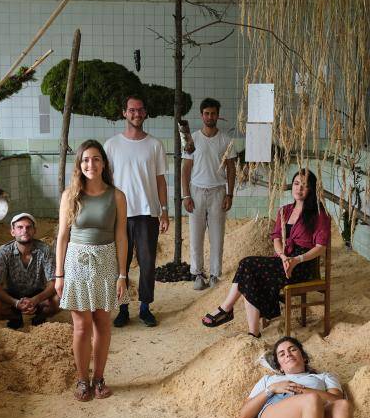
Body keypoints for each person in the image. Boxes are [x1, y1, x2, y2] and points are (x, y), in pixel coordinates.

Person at [201, 169, 330, 337]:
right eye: (296, 183)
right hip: (283, 260)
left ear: (311, 189)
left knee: (248, 265)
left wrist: (296, 260)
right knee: (249, 272)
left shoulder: (319, 215)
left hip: (302, 265)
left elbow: (321, 247)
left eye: (304, 185)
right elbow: (276, 238)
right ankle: (251, 331)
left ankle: (227, 310)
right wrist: (283, 256)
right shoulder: (284, 211)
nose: (299, 188)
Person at [54, 140, 129, 401]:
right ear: (79, 164)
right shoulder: (70, 195)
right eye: (85, 159)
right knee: (81, 325)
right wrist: (59, 275)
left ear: (104, 163)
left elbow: (122, 236)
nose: (91, 164)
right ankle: (82, 381)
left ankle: (98, 379)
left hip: (106, 262)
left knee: (102, 323)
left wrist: (122, 274)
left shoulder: (117, 196)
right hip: (77, 263)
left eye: (96, 159)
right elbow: (62, 236)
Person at [103, 95, 169, 328]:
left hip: (146, 213)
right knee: (119, 264)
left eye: (140, 110)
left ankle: (145, 307)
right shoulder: (111, 145)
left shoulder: (155, 145)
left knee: (147, 263)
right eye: (132, 110)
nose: (136, 114)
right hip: (118, 214)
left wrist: (164, 210)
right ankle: (123, 308)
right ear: (124, 113)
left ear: (145, 113)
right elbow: (105, 181)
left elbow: (160, 180)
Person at [181, 98, 237, 290]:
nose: (210, 117)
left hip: (218, 192)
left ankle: (214, 274)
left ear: (218, 116)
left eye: (213, 113)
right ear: (201, 115)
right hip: (196, 192)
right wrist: (186, 196)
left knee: (217, 236)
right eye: (206, 113)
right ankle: (197, 274)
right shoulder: (192, 140)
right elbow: (185, 169)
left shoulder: (226, 140)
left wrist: (229, 194)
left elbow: (231, 169)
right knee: (196, 235)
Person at [0, 213, 59, 329]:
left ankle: (39, 318)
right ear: (12, 232)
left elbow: (53, 283)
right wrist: (16, 303)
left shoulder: (45, 250)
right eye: (20, 227)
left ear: (34, 231)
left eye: (28, 227)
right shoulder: (4, 251)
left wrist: (35, 300)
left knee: (58, 300)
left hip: (38, 294)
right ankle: (16, 318)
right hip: (13, 295)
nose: (24, 230)